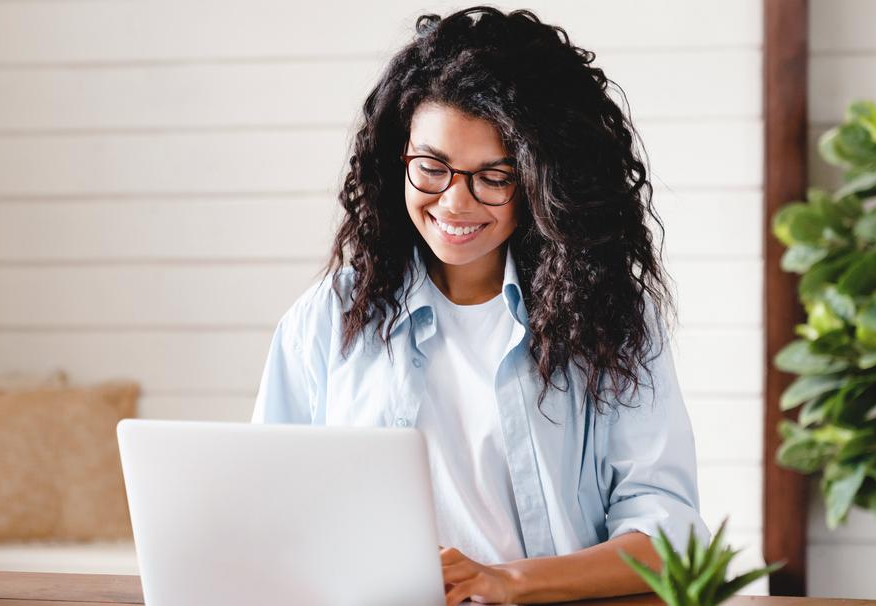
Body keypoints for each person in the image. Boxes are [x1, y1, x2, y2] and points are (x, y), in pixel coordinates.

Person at [251, 7, 708, 605]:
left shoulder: (612, 319)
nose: (455, 203)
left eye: (494, 176)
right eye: (432, 168)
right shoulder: (331, 316)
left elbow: (668, 532)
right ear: (399, 160)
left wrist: (509, 583)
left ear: (547, 181)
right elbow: (266, 506)